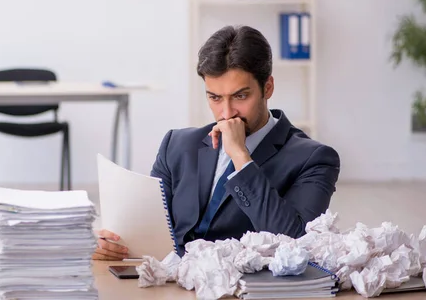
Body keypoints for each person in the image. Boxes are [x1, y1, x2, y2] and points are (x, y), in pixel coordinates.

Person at [92, 25, 340, 261]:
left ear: (268, 87)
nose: (226, 113)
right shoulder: (177, 145)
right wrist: (114, 243)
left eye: (240, 96)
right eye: (215, 98)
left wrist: (241, 158)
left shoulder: (314, 159)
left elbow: (296, 244)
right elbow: (151, 230)